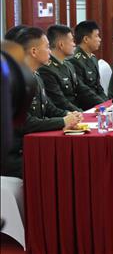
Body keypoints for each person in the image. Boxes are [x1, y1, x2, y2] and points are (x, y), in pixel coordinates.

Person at [3, 28, 81, 178]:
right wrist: (63, 121)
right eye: (47, 47)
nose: (50, 51)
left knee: (72, 157)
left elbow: (49, 107)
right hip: (15, 156)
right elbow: (24, 123)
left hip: (33, 146)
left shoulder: (35, 76)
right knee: (63, 166)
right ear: (34, 51)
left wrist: (70, 114)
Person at [38, 25, 105, 111]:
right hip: (67, 114)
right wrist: (81, 114)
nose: (74, 44)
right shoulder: (46, 70)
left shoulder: (68, 64)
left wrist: (104, 104)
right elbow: (61, 102)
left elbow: (82, 89)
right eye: (72, 41)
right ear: (61, 44)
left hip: (76, 111)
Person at [68, 20, 108, 102]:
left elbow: (98, 87)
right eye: (96, 36)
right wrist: (102, 104)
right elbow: (83, 92)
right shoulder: (75, 60)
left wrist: (108, 102)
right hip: (86, 104)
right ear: (86, 39)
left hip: (97, 102)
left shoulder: (93, 58)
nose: (100, 39)